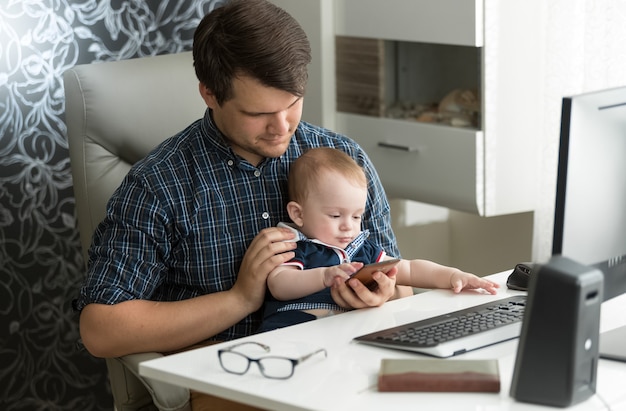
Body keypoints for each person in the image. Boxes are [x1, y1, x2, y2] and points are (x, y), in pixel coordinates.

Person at [74, 1, 405, 409]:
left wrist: (382, 292)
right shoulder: (159, 184)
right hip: (233, 375)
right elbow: (101, 329)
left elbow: (398, 280)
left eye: (292, 103)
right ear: (210, 94)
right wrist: (240, 298)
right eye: (259, 113)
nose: (282, 127)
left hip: (345, 365)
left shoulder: (340, 157)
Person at [259, 147, 499, 332]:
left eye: (356, 216)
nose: (348, 226)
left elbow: (411, 269)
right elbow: (279, 284)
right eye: (335, 215)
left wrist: (452, 276)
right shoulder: (294, 246)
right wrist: (323, 276)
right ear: (298, 214)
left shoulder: (362, 249)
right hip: (291, 332)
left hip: (340, 337)